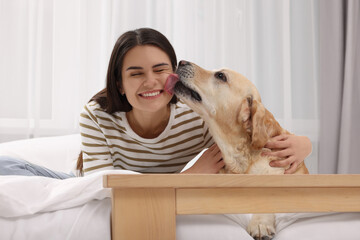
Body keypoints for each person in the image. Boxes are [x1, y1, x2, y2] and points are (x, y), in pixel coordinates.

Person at [0, 28, 312, 178]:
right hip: (90, 182)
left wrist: (303, 144)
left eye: (160, 70)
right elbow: (96, 190)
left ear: (174, 75)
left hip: (143, 189)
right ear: (119, 84)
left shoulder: (197, 117)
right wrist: (188, 179)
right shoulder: (95, 117)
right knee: (10, 167)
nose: (150, 82)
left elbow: (250, 140)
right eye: (135, 74)